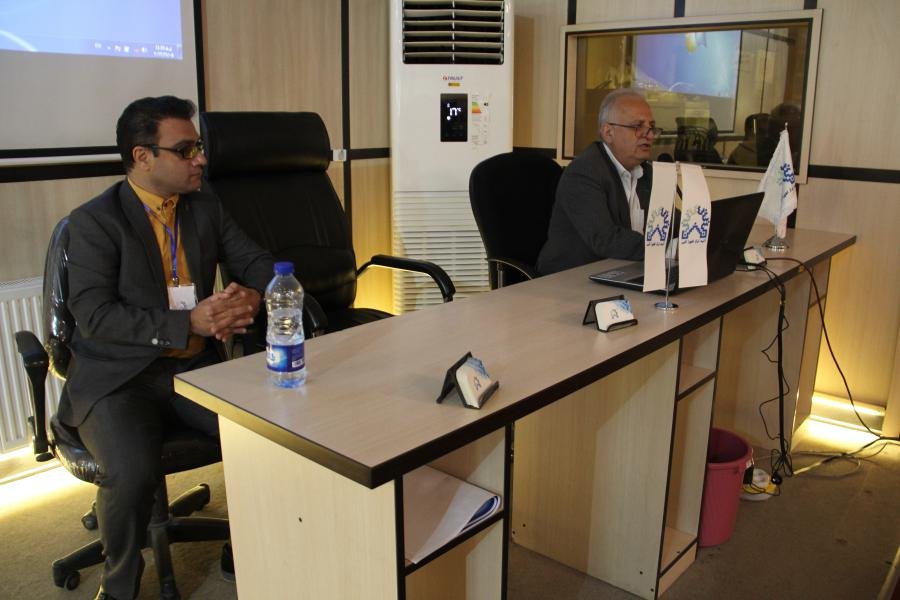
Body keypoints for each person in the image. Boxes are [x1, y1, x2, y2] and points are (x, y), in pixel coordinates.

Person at [59, 96, 274, 600]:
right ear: (143, 157)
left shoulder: (205, 206)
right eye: (186, 149)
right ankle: (119, 586)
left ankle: (246, 545)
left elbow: (257, 261)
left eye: (198, 147)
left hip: (194, 369)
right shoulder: (95, 221)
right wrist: (187, 321)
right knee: (131, 474)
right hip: (119, 378)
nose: (201, 159)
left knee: (268, 438)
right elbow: (94, 316)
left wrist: (255, 293)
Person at [536, 88, 660, 275]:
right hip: (571, 278)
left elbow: (670, 222)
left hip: (622, 270)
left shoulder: (646, 172)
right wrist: (663, 250)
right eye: (638, 126)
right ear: (608, 132)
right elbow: (605, 238)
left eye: (651, 127)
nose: (649, 135)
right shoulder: (584, 172)